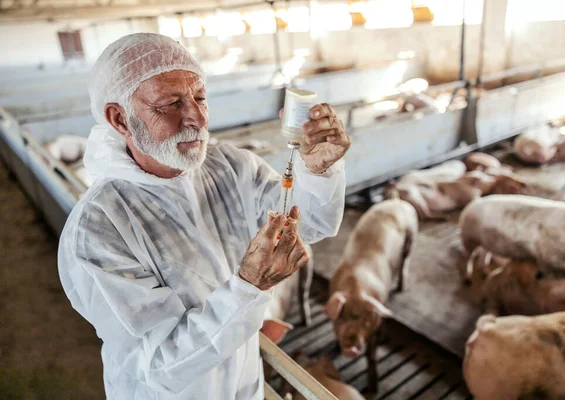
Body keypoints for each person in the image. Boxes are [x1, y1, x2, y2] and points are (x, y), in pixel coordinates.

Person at [57, 33, 350, 399]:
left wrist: (317, 172)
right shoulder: (99, 229)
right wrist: (249, 287)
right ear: (120, 119)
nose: (196, 117)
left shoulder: (230, 166)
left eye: (199, 97)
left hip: (244, 382)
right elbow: (161, 365)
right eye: (171, 103)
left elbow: (309, 224)